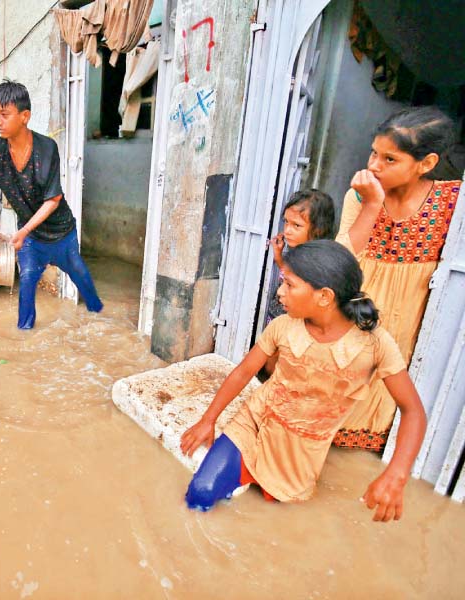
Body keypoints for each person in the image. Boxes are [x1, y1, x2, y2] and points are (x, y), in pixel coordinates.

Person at [180, 240, 426, 521]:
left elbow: (413, 412)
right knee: (199, 494)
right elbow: (243, 372)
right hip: (257, 423)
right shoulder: (283, 326)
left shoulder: (374, 344)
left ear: (324, 297)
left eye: (289, 285)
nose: (280, 292)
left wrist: (397, 473)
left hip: (303, 451)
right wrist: (208, 419)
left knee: (280, 520)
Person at [334, 106, 460, 452]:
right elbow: (342, 260)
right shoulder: (359, 197)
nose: (374, 165)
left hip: (409, 327)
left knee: (389, 393)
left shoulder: (453, 203)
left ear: (427, 163)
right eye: (374, 153)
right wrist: (372, 205)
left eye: (390, 159)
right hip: (357, 317)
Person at [0, 80, 103, 329]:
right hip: (31, 239)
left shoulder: (46, 148)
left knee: (80, 276)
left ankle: (98, 318)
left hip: (62, 233)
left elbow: (53, 200)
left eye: (4, 114)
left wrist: (23, 231)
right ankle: (24, 334)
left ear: (24, 116)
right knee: (27, 282)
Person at [266, 189, 336, 322]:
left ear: (318, 229)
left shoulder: (318, 261)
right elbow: (288, 275)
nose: (287, 231)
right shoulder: (298, 250)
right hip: (278, 317)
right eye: (286, 222)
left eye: (296, 225)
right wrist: (278, 256)